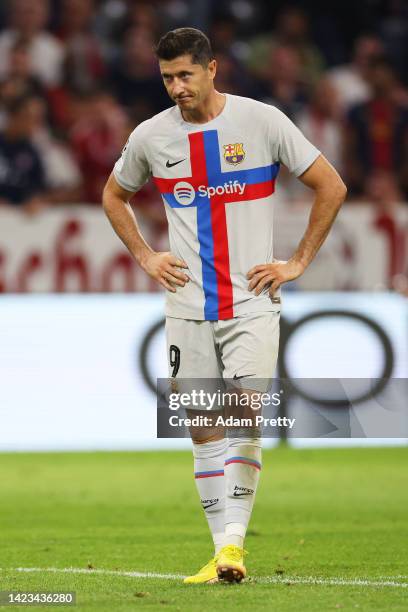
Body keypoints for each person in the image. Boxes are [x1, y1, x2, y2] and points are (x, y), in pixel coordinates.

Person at [102, 27, 347, 584]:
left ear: (213, 69)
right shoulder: (151, 137)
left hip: (252, 303)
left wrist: (298, 262)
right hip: (185, 305)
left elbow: (330, 186)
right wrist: (145, 255)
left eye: (185, 74)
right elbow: (113, 194)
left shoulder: (262, 122)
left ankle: (234, 547)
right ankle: (222, 554)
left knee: (243, 416)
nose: (176, 87)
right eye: (167, 77)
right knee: (203, 428)